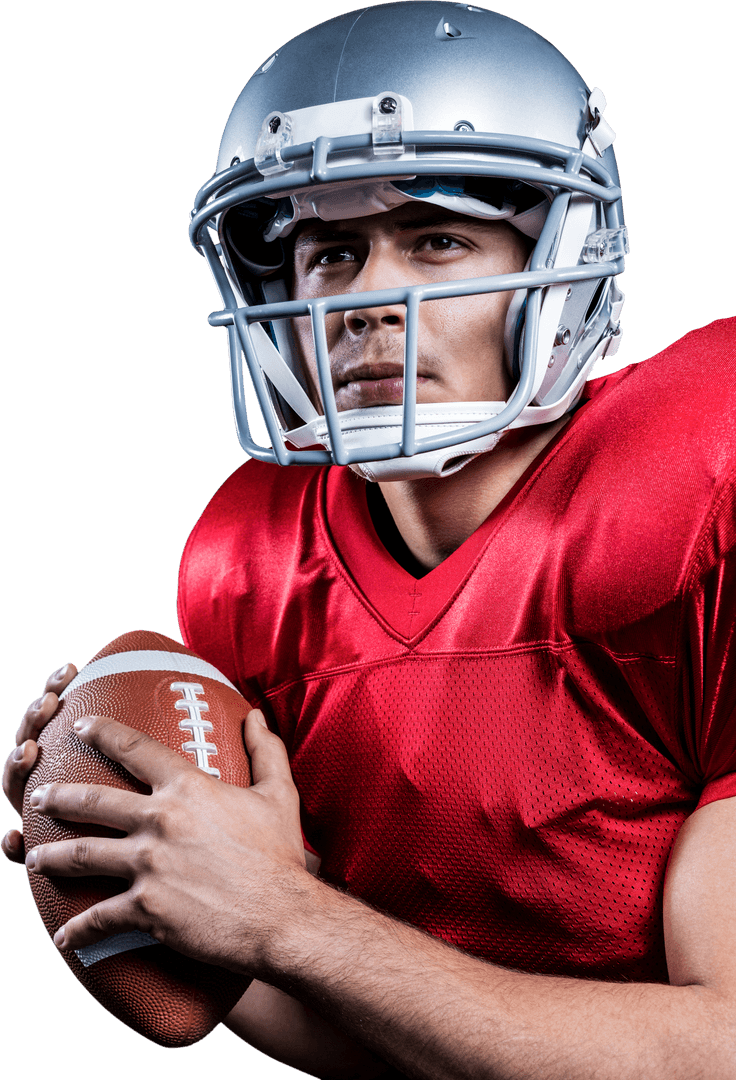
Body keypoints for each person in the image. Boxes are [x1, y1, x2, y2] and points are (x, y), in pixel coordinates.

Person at [3, 4, 735, 1077]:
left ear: (565, 261)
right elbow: (380, 1026)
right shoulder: (246, 566)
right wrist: (178, 895)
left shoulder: (702, 488)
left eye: (435, 238)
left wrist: (287, 921)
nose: (368, 301)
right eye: (330, 251)